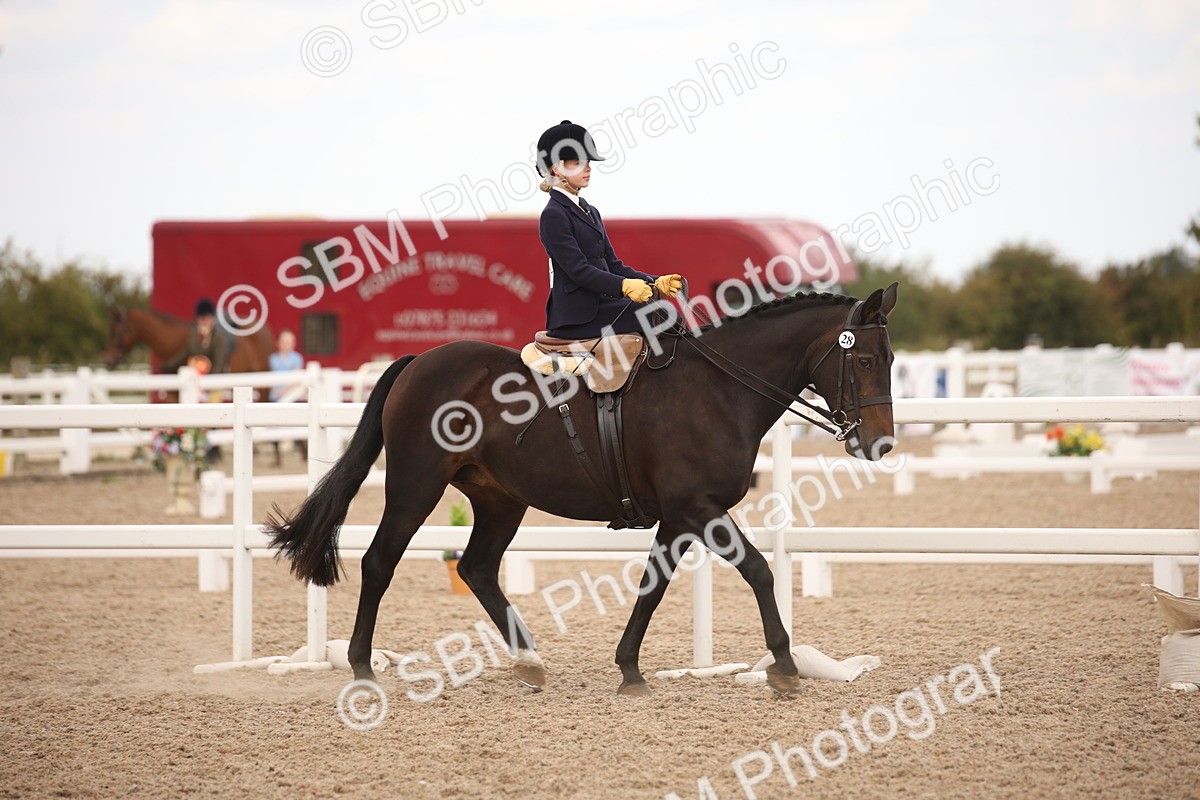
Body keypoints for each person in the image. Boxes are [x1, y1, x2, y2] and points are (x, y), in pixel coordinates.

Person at [534, 120, 683, 339]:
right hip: (578, 314)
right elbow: (579, 270)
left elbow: (613, 265)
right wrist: (624, 286)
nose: (588, 168)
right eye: (578, 162)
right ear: (556, 168)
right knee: (661, 315)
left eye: (587, 162)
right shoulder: (553, 214)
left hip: (605, 304)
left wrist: (655, 281)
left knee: (664, 312)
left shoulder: (590, 211)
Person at [268, 330, 307, 466]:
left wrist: (284, 390)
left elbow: (296, 377)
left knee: (297, 424)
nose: (286, 345)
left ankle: (304, 451)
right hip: (276, 396)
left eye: (289, 342)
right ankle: (277, 456)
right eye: (284, 342)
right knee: (273, 426)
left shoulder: (297, 358)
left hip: (291, 395)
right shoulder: (273, 359)